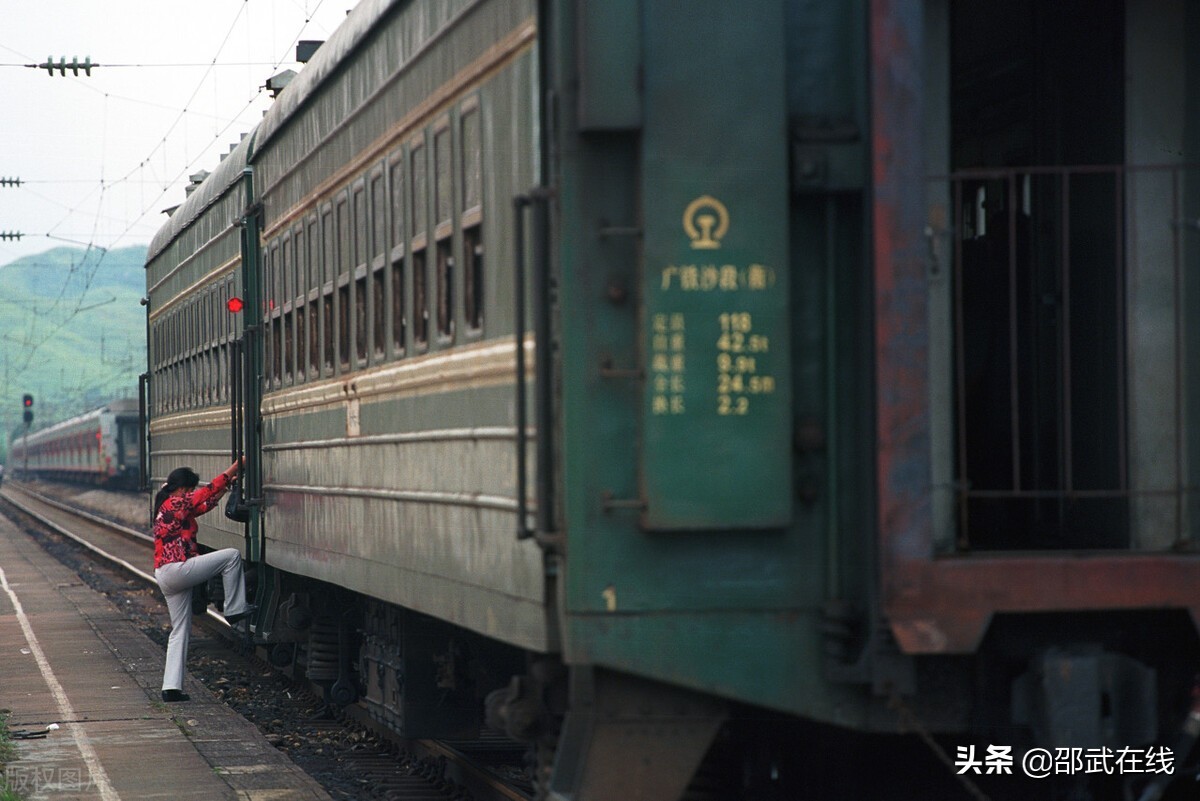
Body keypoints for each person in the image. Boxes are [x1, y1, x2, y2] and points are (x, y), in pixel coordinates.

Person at [153, 459, 253, 702]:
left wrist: (226, 488)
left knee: (180, 630)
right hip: (178, 569)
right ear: (181, 488)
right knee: (232, 556)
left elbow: (204, 505)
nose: (190, 493)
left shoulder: (170, 507)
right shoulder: (175, 502)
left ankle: (171, 688)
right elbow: (204, 494)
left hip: (166, 574)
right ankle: (235, 609)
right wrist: (234, 468)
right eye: (189, 489)